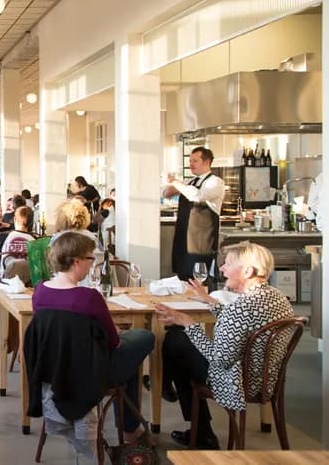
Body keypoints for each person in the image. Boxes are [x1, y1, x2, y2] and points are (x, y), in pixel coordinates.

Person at [156, 242, 294, 450]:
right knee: (179, 342)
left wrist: (188, 323)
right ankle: (192, 421)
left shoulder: (240, 307)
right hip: (267, 378)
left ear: (247, 271)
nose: (222, 269)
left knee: (175, 344)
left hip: (238, 382)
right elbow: (241, 325)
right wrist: (210, 301)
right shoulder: (276, 297)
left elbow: (219, 359)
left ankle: (197, 427)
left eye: (228, 264)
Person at [34, 232, 154, 444]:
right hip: (90, 371)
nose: (92, 264)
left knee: (130, 362)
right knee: (145, 337)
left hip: (55, 368)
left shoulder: (40, 292)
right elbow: (114, 343)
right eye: (90, 258)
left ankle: (130, 429)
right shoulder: (89, 298)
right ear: (77, 261)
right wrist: (115, 332)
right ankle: (129, 430)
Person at [162, 147, 225, 280]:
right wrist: (171, 183)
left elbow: (198, 196)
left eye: (195, 161)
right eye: (190, 161)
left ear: (206, 162)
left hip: (201, 245)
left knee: (199, 280)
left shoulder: (216, 182)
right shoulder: (190, 182)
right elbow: (166, 194)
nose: (191, 164)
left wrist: (175, 182)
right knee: (182, 280)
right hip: (183, 241)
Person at [0, 206, 35, 284]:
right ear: (31, 222)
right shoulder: (34, 240)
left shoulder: (4, 237)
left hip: (7, 281)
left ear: (15, 219)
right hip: (29, 283)